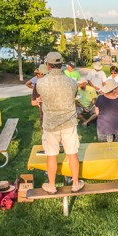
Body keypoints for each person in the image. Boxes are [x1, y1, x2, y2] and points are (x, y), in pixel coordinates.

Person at [38, 52, 83, 194]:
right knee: (72, 154)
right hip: (69, 122)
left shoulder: (41, 82)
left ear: (48, 65)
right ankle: (75, 183)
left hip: (50, 123)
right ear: (62, 64)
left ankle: (51, 186)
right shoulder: (72, 82)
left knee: (51, 155)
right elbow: (74, 96)